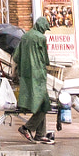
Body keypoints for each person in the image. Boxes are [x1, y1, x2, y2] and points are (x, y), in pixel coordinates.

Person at [14, 15, 53, 144]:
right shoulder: (41, 38)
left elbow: (16, 56)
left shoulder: (25, 36)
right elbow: (45, 59)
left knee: (39, 105)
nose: (44, 31)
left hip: (25, 75)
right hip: (38, 75)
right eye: (45, 29)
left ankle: (40, 134)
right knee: (44, 105)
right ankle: (27, 128)